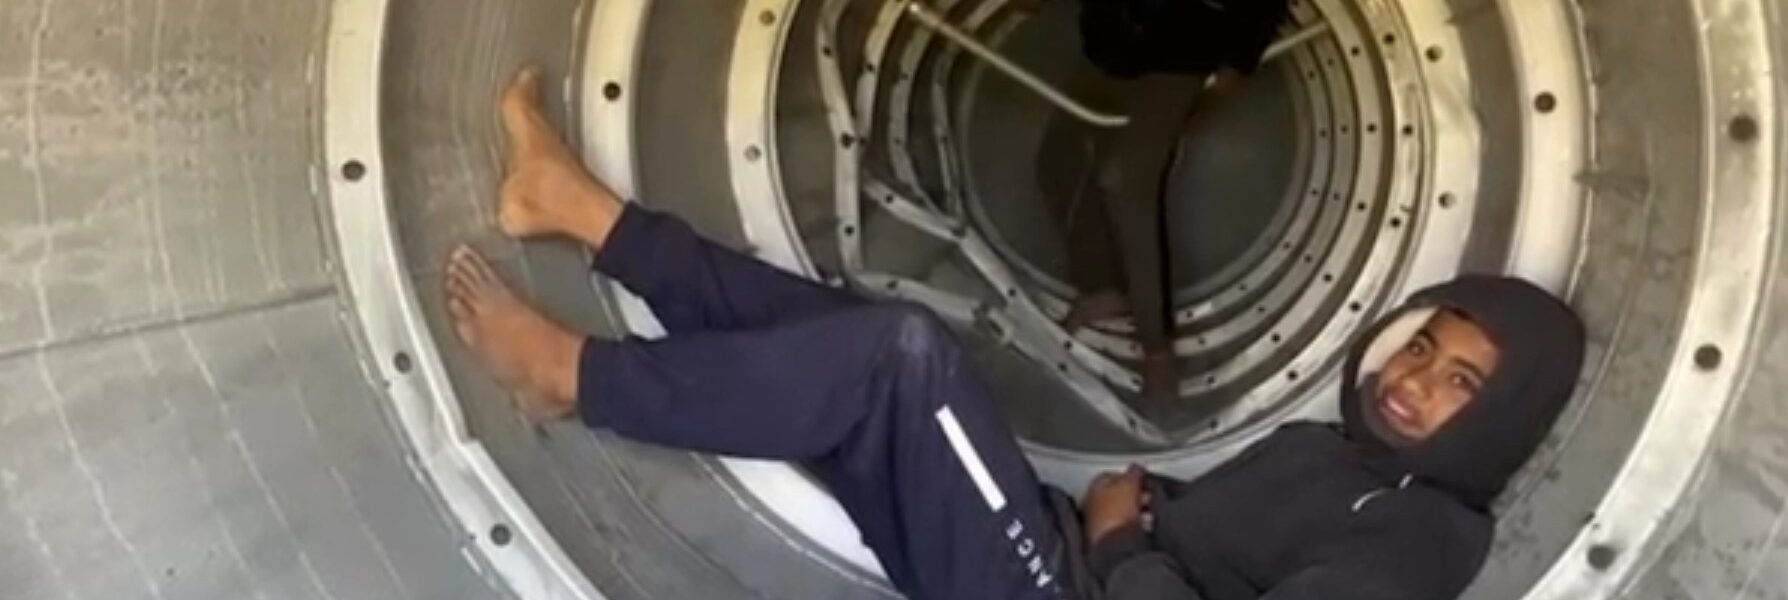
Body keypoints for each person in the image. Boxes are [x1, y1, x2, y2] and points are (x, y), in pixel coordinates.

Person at [449, 67, 1586, 600]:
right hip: (1063, 560)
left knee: (902, 360)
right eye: (1424, 347)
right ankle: (584, 214)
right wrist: (1139, 519)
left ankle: (572, 377)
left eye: (1462, 383)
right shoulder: (1349, 462)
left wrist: (1123, 549)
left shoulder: (1421, 543)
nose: (1416, 380)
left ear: (1503, 419)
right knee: (856, 343)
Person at [1029, 0, 1294, 404]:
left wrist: (1240, 58)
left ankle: (1157, 348)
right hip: (1111, 44)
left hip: (1179, 53)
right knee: (1056, 158)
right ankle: (1102, 286)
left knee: (1125, 180)